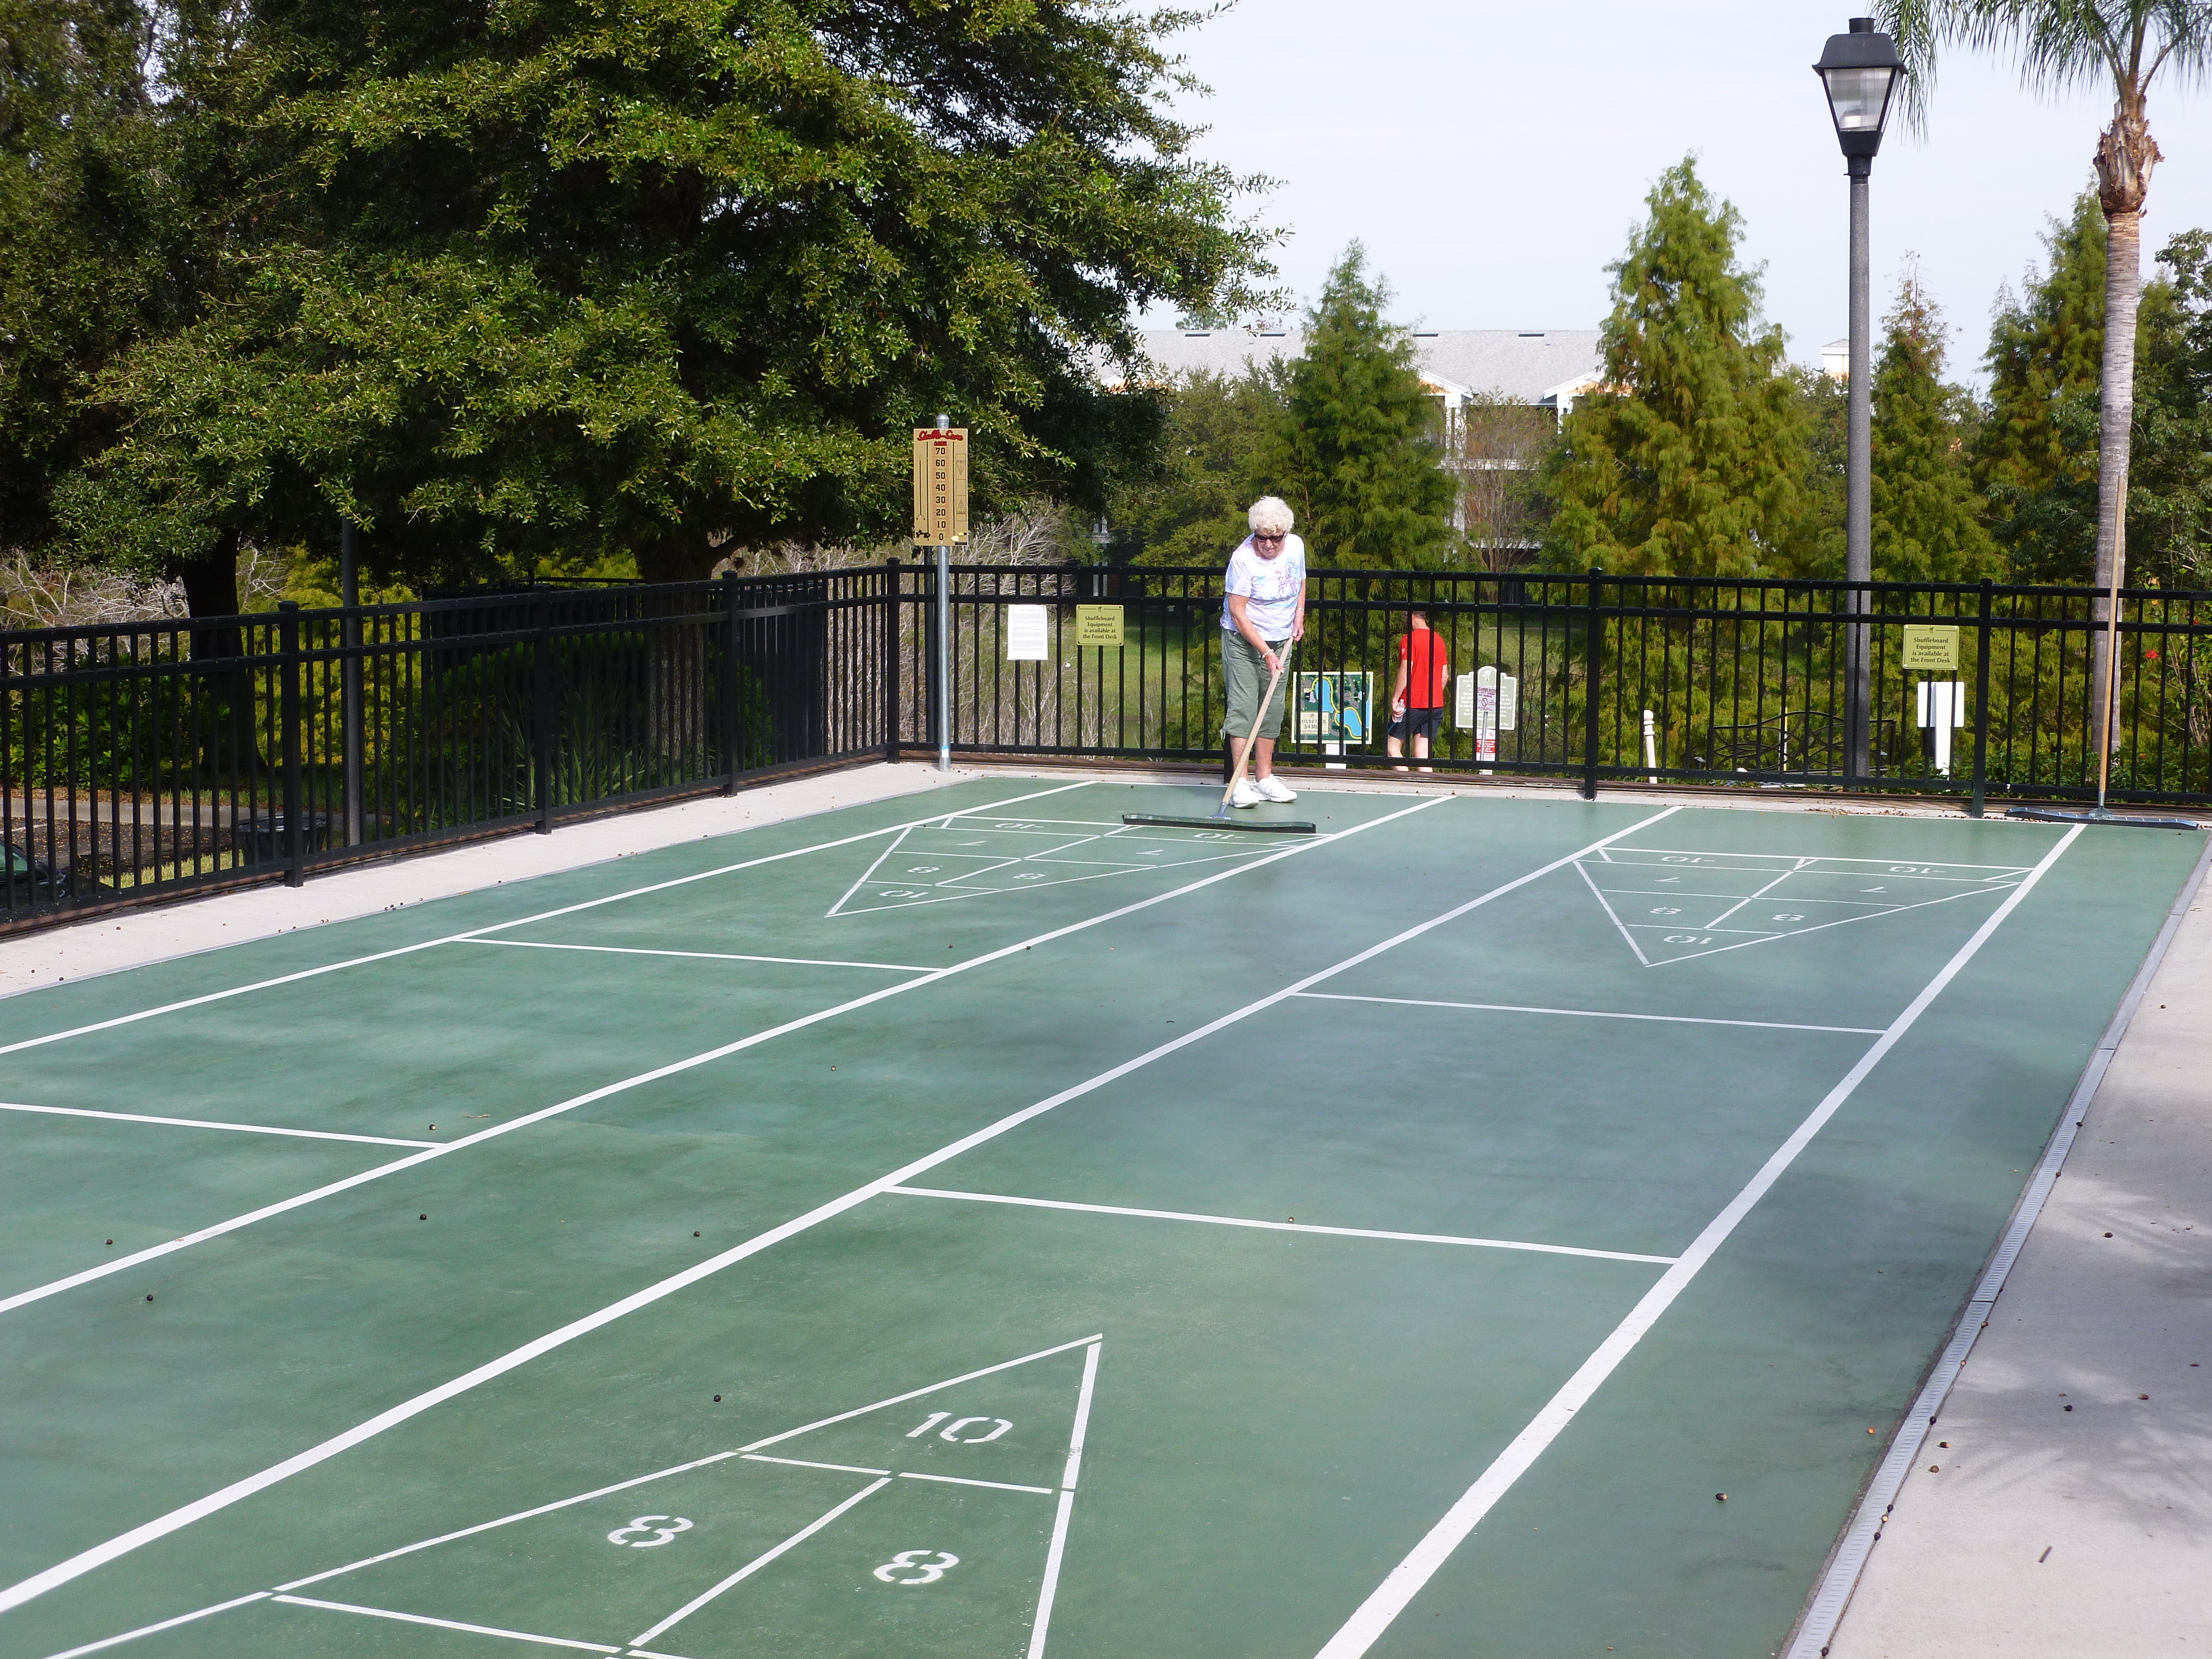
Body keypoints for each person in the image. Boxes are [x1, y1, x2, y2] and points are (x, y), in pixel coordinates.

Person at [1220, 497, 1307, 806]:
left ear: (1285, 534)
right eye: (1262, 537)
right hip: (1244, 640)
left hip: (1281, 639)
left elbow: (1300, 581)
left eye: (1275, 538)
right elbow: (1238, 612)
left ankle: (1265, 778)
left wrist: (1299, 613)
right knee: (1244, 707)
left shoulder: (1296, 546)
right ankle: (1240, 783)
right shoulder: (1242, 560)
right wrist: (1266, 652)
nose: (1268, 544)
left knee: (1272, 709)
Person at [1386, 609, 1449, 773]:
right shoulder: (1439, 640)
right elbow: (1444, 677)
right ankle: (1426, 788)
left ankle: (1405, 783)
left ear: (1412, 616)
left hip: (1412, 703)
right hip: (1434, 705)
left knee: (1392, 747)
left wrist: (1395, 698)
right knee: (1422, 753)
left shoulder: (1410, 640)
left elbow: (1407, 669)